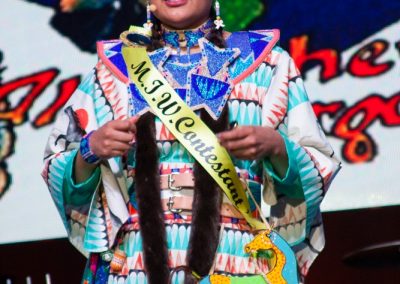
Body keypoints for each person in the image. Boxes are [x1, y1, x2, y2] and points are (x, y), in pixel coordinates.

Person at [42, 0, 341, 283]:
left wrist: (278, 149)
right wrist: (89, 150)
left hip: (237, 258)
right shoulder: (112, 70)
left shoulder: (269, 65)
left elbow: (318, 169)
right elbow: (57, 168)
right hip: (135, 263)